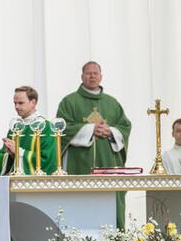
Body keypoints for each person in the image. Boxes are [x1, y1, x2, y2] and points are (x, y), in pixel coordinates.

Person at [56, 61, 131, 228]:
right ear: (82, 76)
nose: (92, 76)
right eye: (88, 73)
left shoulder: (112, 103)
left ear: (101, 76)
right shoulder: (69, 102)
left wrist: (111, 131)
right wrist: (90, 129)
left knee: (109, 208)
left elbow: (125, 127)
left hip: (108, 165)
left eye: (95, 73)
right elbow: (61, 128)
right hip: (79, 165)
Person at [0, 86, 56, 175]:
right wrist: (10, 155)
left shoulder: (46, 127)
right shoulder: (15, 127)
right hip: (16, 183)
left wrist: (18, 152)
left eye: (21, 103)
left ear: (33, 102)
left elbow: (47, 159)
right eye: (15, 103)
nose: (16, 106)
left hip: (37, 184)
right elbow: (2, 155)